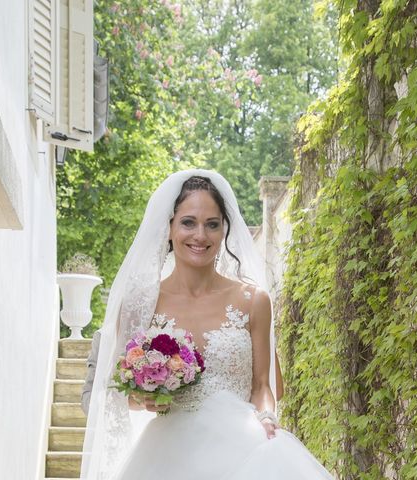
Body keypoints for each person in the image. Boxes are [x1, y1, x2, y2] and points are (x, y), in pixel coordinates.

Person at [80, 170, 333, 479]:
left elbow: (264, 385)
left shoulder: (253, 300)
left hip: (242, 452)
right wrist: (142, 397)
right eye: (188, 222)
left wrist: (266, 417)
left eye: (212, 224)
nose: (200, 235)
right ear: (169, 227)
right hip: (167, 459)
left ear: (224, 230)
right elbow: (120, 393)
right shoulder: (140, 305)